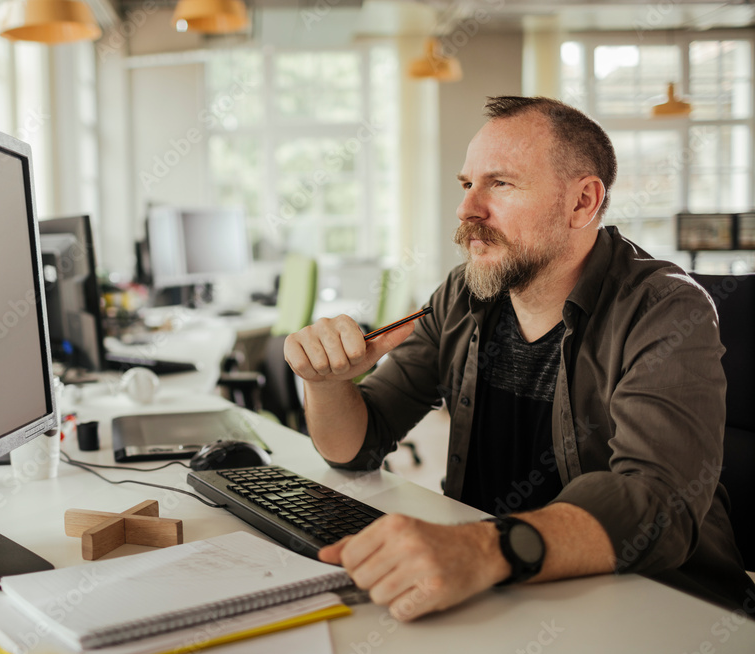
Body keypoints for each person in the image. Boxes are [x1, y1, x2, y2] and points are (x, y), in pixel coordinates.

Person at [284, 96, 751, 621]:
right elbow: (357, 447)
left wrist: (485, 548)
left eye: (500, 184)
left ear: (582, 203)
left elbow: (656, 504)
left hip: (655, 607)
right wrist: (325, 383)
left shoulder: (664, 307)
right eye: (467, 184)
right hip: (502, 593)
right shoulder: (464, 293)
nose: (467, 209)